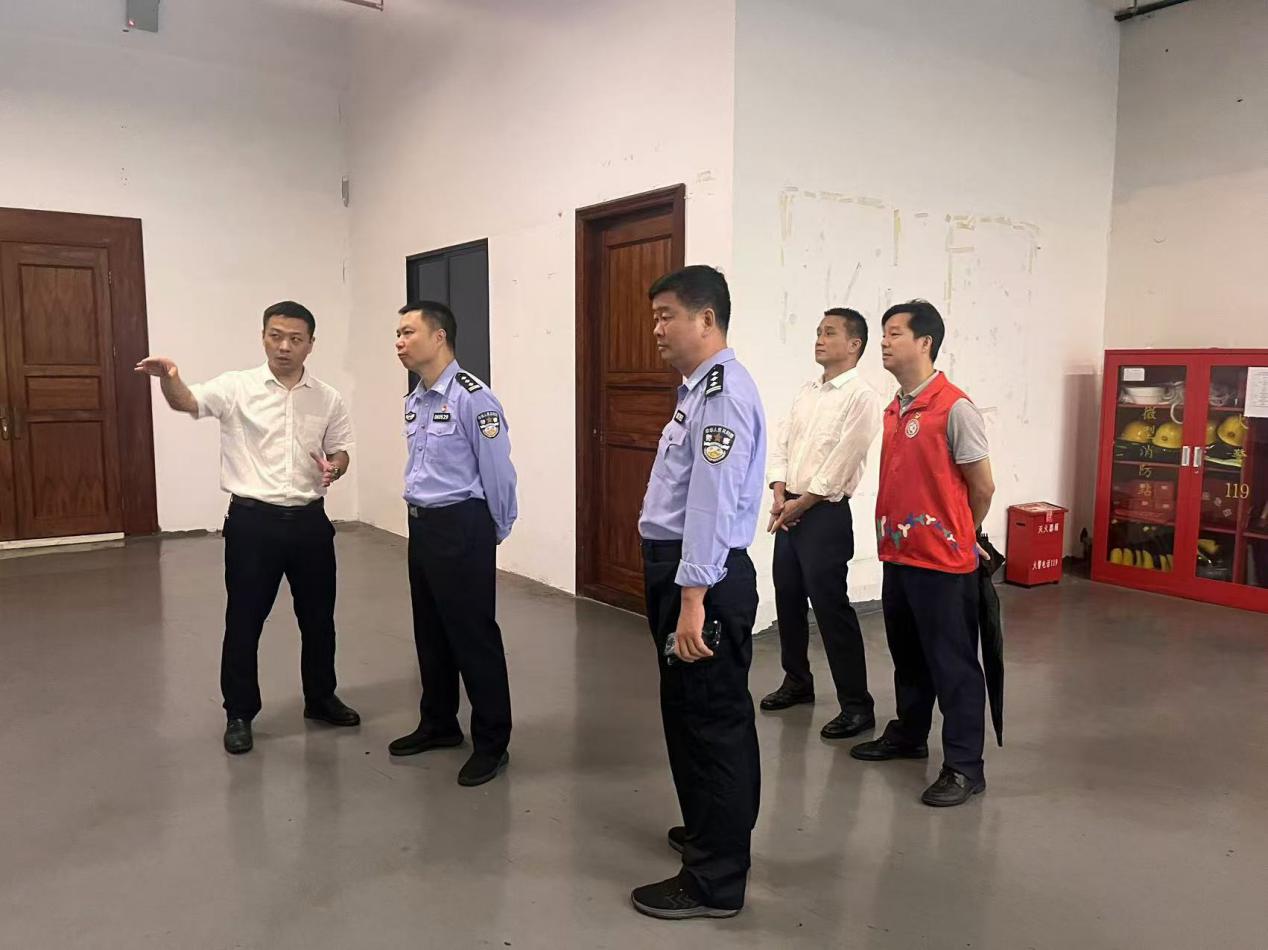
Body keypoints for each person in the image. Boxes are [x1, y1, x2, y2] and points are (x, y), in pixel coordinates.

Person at [135, 301, 359, 755]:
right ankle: (239, 713)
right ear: (263, 337)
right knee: (244, 620)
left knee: (319, 620)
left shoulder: (328, 398)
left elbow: (341, 450)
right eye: (276, 336)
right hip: (253, 524)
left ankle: (320, 698)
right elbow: (187, 401)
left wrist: (334, 467)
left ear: (310, 345)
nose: (284, 346)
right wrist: (169, 377)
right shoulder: (236, 387)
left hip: (310, 523)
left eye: (295, 339)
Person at [632, 265, 765, 920]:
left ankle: (715, 880)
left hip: (702, 580)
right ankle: (711, 831)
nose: (657, 329)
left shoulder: (722, 394)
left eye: (667, 316)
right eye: (654, 316)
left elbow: (711, 505)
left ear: (706, 319)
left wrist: (692, 600)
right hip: (683, 572)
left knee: (712, 724)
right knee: (690, 715)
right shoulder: (697, 391)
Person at [850, 300, 996, 807]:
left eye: (894, 333)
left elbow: (982, 486)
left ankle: (964, 766)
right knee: (909, 657)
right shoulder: (896, 408)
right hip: (900, 556)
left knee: (953, 665)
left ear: (925, 342)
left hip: (944, 564)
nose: (884, 342)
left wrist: (963, 532)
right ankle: (909, 734)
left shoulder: (954, 408)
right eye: (884, 333)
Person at [388, 301, 517, 788]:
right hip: (423, 526)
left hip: (463, 525)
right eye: (397, 334)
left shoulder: (473, 398)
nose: (399, 342)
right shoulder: (416, 399)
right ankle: (439, 722)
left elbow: (499, 473)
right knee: (431, 632)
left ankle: (492, 742)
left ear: (439, 337)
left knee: (472, 636)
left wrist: (492, 530)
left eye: (408, 332)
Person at [762, 308, 883, 740]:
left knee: (831, 608)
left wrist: (803, 503)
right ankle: (797, 681)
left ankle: (857, 706)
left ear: (854, 344)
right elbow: (783, 443)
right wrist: (780, 492)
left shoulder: (862, 397)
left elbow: (843, 460)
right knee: (788, 598)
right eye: (817, 331)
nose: (819, 339)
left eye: (829, 333)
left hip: (825, 514)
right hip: (791, 508)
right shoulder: (808, 391)